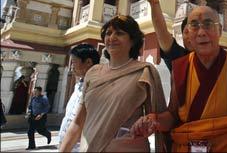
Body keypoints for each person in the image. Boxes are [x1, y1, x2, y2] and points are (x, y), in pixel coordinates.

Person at [130, 6, 227, 152]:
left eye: (208, 25)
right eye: (195, 26)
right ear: (188, 33)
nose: (201, 32)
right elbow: (172, 115)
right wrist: (153, 120)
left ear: (220, 31)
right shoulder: (180, 67)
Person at [59, 15, 167, 152]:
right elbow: (77, 123)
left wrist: (148, 123)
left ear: (133, 40)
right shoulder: (93, 73)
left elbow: (159, 119)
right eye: (108, 33)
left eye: (120, 33)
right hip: (90, 148)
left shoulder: (145, 71)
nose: (112, 38)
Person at [58, 44, 100, 152]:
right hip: (68, 144)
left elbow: (79, 122)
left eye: (74, 62)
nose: (72, 66)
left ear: (88, 62)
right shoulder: (79, 85)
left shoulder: (98, 88)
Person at [143, 0, 190, 72]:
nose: (200, 33)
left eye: (206, 25)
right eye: (187, 31)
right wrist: (154, 3)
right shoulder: (181, 59)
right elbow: (162, 33)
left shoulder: (224, 62)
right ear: (182, 36)